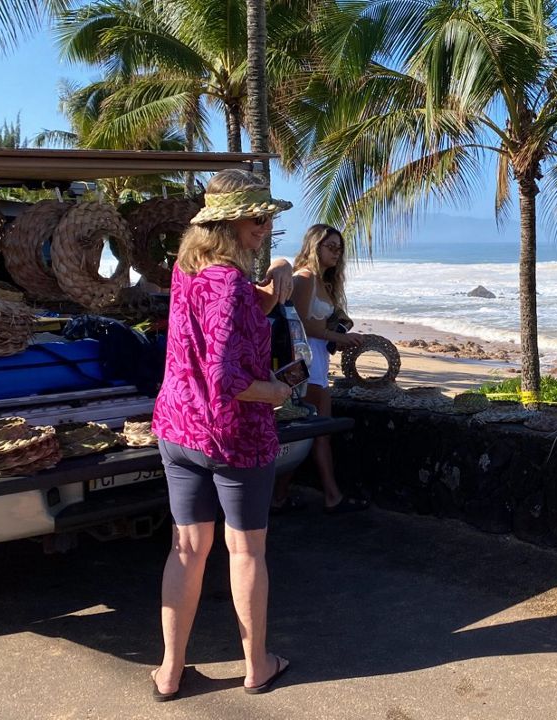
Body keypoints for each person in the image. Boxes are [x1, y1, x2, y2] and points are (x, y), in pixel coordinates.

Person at [149, 170, 298, 700]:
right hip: (233, 436)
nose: (265, 228)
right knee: (245, 551)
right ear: (229, 222)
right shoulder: (231, 284)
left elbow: (226, 325)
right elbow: (227, 379)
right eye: (257, 220)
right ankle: (256, 665)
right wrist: (276, 393)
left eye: (267, 220)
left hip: (179, 426)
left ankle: (169, 671)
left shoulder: (189, 271)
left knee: (187, 548)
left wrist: (277, 271)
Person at [271, 224, 369, 514]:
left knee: (307, 433)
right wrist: (340, 337)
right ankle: (331, 495)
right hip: (305, 365)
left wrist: (336, 334)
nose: (337, 253)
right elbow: (301, 323)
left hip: (316, 362)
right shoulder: (305, 278)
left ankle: (281, 495)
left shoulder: (322, 281)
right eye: (331, 247)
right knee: (317, 431)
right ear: (315, 247)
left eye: (340, 248)